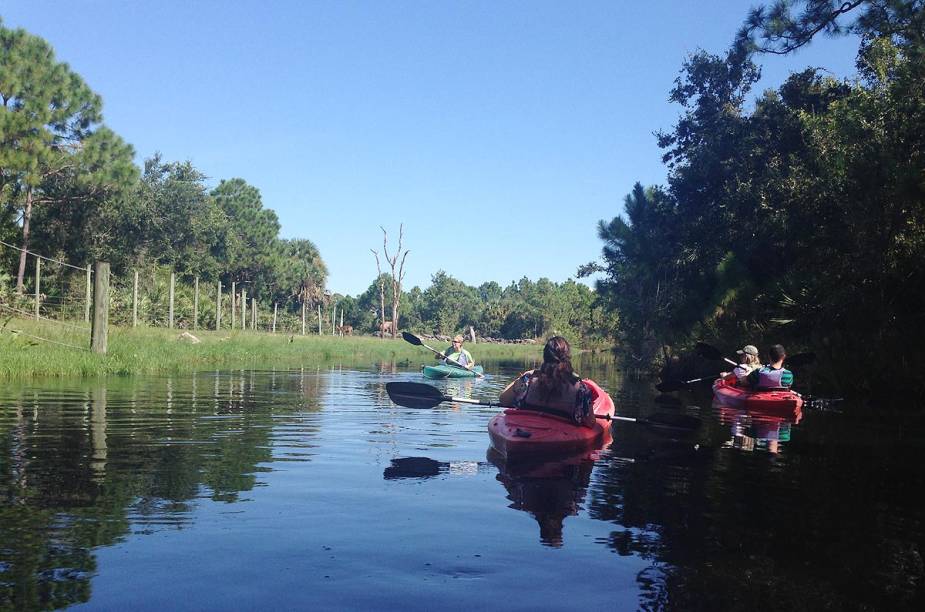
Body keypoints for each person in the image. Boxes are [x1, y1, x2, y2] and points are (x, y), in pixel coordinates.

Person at [499, 336, 595, 428]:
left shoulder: (528, 380)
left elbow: (503, 399)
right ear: (567, 358)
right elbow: (590, 422)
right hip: (561, 439)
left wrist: (526, 375)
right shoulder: (580, 389)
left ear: (545, 357)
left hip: (527, 431)